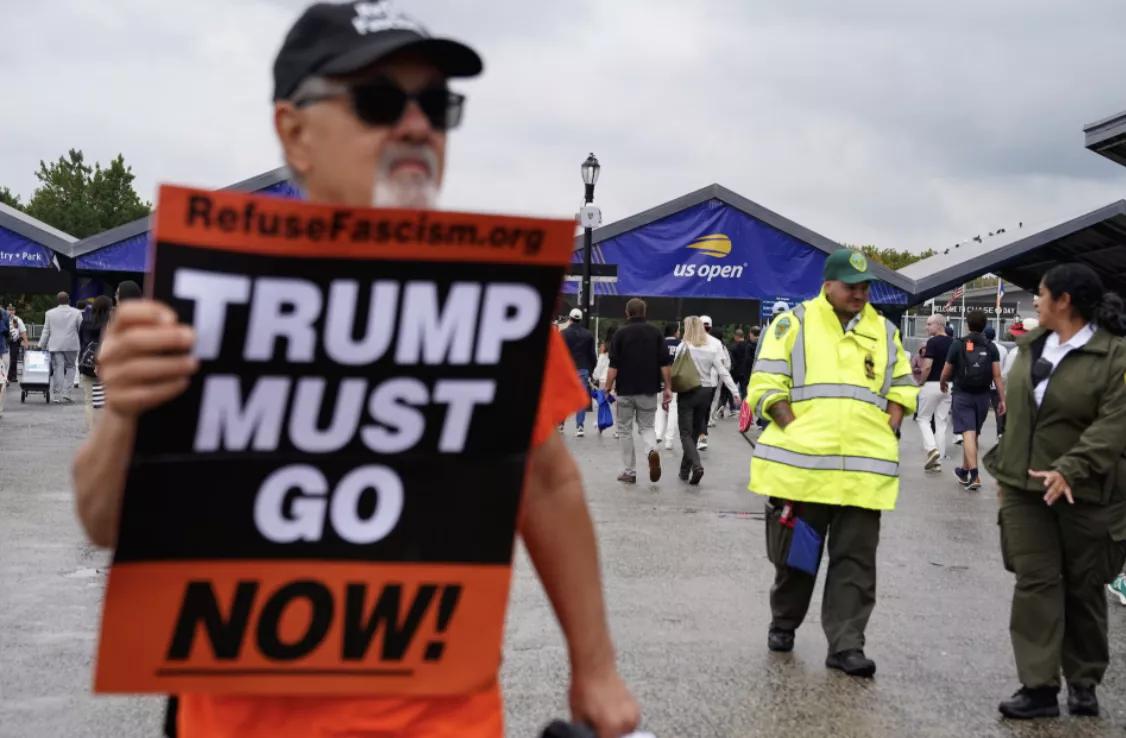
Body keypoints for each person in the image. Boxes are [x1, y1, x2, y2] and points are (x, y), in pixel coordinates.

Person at [71, 4, 639, 737]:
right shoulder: (209, 302)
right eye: (378, 101)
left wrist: (595, 668)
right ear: (294, 133)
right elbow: (104, 520)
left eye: (436, 104)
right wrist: (123, 414)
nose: (417, 126)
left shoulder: (487, 305)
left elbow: (547, 482)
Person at [748, 248, 917, 678]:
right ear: (827, 286)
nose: (859, 294)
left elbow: (902, 386)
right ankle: (784, 622)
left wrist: (892, 424)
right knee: (798, 560)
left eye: (865, 288)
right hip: (805, 469)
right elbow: (765, 382)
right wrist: (791, 425)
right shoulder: (794, 323)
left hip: (864, 471)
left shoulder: (884, 331)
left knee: (856, 563)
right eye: (850, 287)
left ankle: (846, 645)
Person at [984, 263, 1126, 720]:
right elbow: (1017, 416)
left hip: (1085, 490)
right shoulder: (1031, 346)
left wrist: (1071, 468)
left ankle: (1084, 681)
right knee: (1035, 581)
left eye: (1042, 294)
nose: (1037, 301)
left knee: (1083, 586)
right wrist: (1007, 476)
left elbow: (1115, 422)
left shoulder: (1115, 355)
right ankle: (1039, 686)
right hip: (1026, 490)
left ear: (1064, 301)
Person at [605, 298, 672, 484]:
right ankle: (652, 450)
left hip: (625, 390)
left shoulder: (620, 333)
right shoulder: (656, 333)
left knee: (625, 430)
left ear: (627, 313)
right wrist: (668, 387)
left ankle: (630, 472)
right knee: (647, 427)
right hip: (649, 389)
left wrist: (607, 387)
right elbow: (665, 363)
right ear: (645, 312)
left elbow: (613, 366)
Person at [940, 310, 1005, 491]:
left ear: (968, 324)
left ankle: (975, 475)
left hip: (962, 394)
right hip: (983, 396)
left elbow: (947, 369)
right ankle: (964, 471)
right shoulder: (991, 347)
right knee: (973, 434)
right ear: (985, 325)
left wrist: (942, 382)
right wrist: (1002, 399)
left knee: (968, 433)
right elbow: (997, 376)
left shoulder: (958, 344)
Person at [674, 316, 740, 485]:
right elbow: (723, 371)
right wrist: (735, 391)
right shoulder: (712, 348)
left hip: (687, 391)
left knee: (685, 433)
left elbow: (676, 368)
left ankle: (696, 466)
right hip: (706, 392)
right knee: (695, 431)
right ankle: (684, 471)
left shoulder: (684, 346)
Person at [915, 314, 953, 472]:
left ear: (939, 325)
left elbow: (927, 366)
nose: (927, 327)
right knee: (941, 422)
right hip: (949, 385)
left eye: (929, 324)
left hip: (932, 384)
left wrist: (921, 382)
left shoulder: (932, 342)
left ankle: (932, 450)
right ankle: (938, 461)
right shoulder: (954, 342)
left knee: (923, 418)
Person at [38, 291, 83, 404]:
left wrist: (41, 345)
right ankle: (67, 393)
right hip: (71, 344)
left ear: (57, 301)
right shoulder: (77, 313)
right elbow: (80, 329)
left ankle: (57, 395)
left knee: (58, 368)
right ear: (69, 300)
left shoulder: (49, 313)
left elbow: (46, 330)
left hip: (55, 345)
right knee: (71, 367)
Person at [560, 308, 596, 437]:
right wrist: (591, 370)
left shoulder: (563, 334)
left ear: (570, 319)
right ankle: (580, 426)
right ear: (580, 320)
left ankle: (560, 423)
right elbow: (592, 355)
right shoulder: (588, 335)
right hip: (582, 369)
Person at [78, 296, 113, 430]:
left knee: (89, 400)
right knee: (105, 399)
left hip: (87, 363)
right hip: (106, 363)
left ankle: (92, 429)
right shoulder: (110, 323)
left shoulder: (86, 321)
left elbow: (81, 340)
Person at [699, 314, 729, 445]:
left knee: (701, 406)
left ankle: (701, 432)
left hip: (699, 380)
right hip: (713, 379)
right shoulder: (718, 345)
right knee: (709, 403)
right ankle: (704, 429)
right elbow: (724, 363)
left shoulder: (693, 341)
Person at [654, 323, 681, 451]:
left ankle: (657, 433)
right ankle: (669, 440)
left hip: (660, 379)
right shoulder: (681, 344)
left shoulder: (659, 343)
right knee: (673, 407)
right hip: (676, 380)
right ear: (675, 331)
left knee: (659, 406)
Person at [984, 325, 1009, 438]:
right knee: (999, 409)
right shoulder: (1003, 349)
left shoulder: (982, 347)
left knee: (979, 409)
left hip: (983, 384)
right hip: (998, 384)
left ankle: (975, 431)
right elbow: (1005, 367)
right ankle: (1000, 432)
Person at [729, 328, 754, 405]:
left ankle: (732, 406)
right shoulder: (748, 346)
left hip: (735, 371)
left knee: (731, 388)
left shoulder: (732, 347)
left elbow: (731, 360)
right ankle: (744, 405)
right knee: (744, 390)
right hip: (745, 371)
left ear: (736, 336)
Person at [7, 303, 28, 385]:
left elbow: (23, 331)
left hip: (14, 342)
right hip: (5, 342)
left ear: (14, 311)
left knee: (13, 359)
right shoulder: (3, 318)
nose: (11, 311)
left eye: (12, 310)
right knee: (5, 360)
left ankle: (12, 376)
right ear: (6, 311)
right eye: (9, 310)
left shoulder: (18, 320)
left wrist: (26, 342)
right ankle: (7, 376)